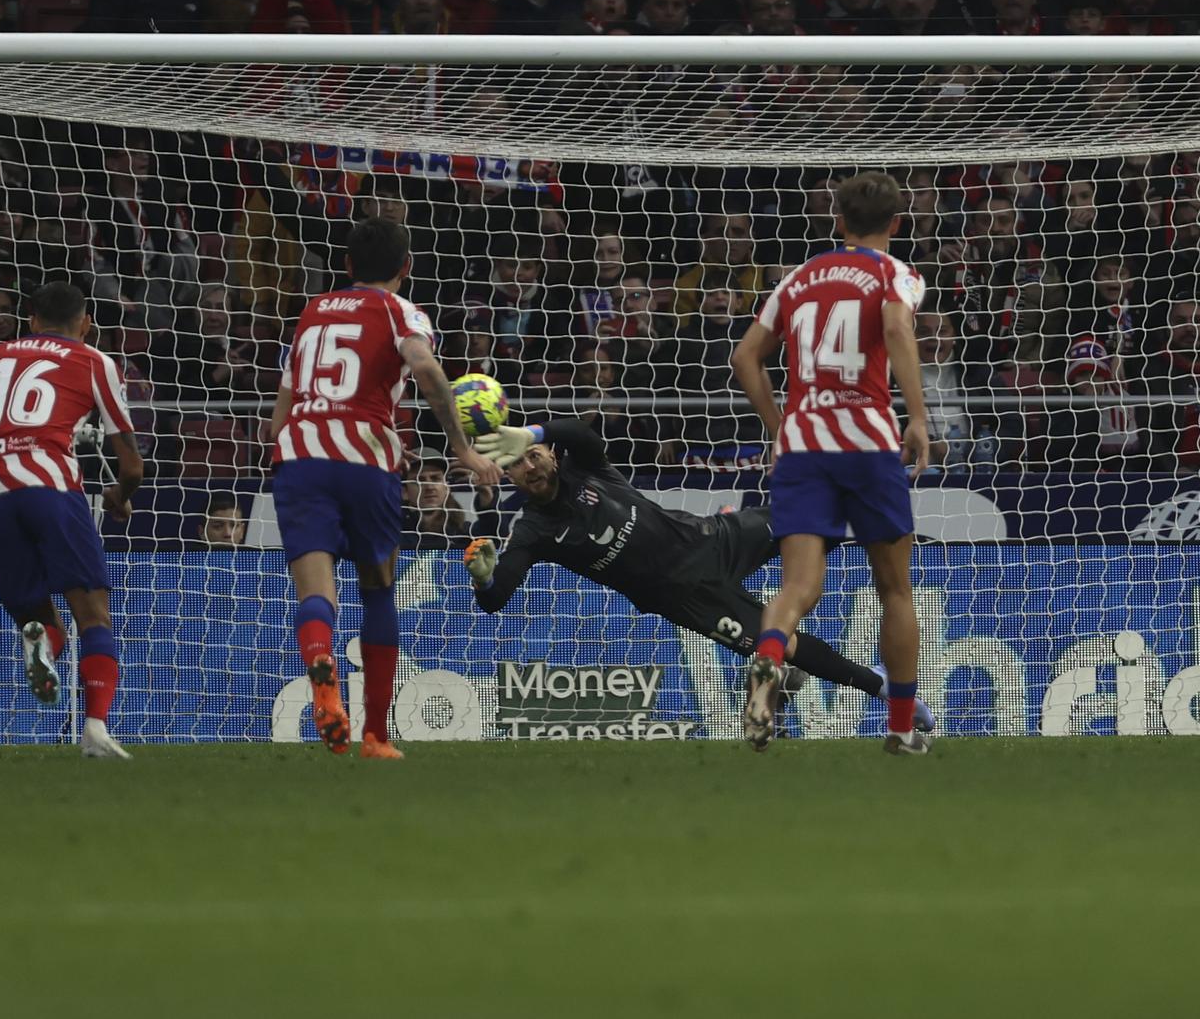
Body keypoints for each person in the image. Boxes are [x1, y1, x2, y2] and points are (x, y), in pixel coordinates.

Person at [463, 417, 933, 731]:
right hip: (686, 598)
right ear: (508, 479)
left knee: (810, 518)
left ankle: (884, 473)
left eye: (533, 455)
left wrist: (530, 430)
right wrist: (485, 578)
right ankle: (889, 691)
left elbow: (584, 436)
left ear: (549, 454)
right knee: (782, 645)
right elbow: (496, 598)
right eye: (517, 466)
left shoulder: (587, 471)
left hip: (712, 539)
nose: (529, 468)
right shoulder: (532, 531)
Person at [267, 218, 502, 760]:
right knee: (377, 587)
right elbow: (424, 368)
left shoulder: (310, 314)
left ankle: (321, 666)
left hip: (300, 452)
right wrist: (462, 448)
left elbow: (277, 419)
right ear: (406, 267)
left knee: (315, 592)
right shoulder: (402, 311)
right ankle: (374, 736)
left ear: (346, 267)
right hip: (365, 451)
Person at [729, 172, 932, 755]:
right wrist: (916, 417)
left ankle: (769, 658)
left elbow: (745, 357)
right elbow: (895, 325)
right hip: (867, 442)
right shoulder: (894, 272)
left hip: (803, 446)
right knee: (894, 589)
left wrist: (780, 426)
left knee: (798, 585)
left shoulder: (795, 280)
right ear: (896, 225)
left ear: (837, 221)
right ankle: (900, 728)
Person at [0, 281, 143, 759]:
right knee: (94, 614)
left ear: (32, 320)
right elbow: (133, 465)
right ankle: (95, 729)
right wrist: (120, 495)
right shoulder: (95, 360)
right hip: (49, 486)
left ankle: (40, 641)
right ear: (86, 323)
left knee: (37, 618)